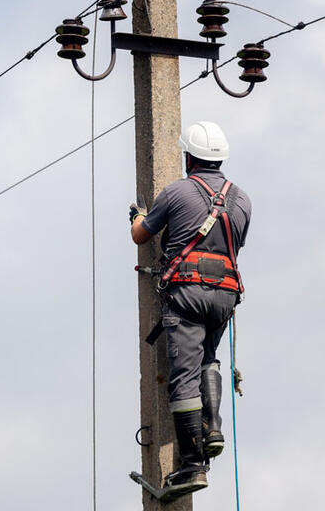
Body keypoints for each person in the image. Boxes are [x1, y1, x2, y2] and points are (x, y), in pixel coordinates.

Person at [129, 121, 251, 494]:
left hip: (187, 294)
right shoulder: (242, 198)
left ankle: (193, 464)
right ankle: (212, 427)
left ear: (189, 157)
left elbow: (140, 235)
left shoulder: (177, 191)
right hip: (225, 295)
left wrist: (137, 215)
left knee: (183, 376)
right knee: (208, 359)